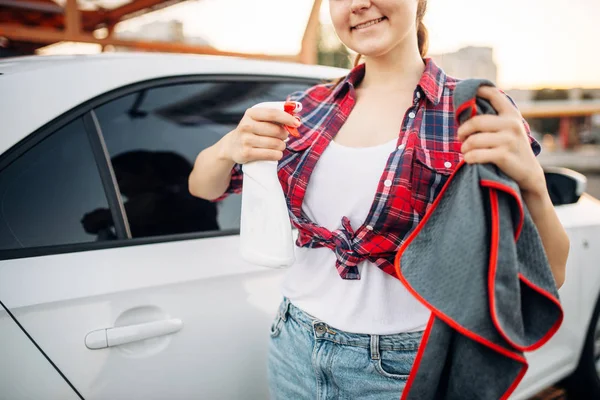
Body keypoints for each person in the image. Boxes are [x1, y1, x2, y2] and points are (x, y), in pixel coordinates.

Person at [188, 0, 570, 398]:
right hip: (294, 343)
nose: (358, 4)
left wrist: (534, 185)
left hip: (403, 367)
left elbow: (551, 271)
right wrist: (229, 146)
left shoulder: (472, 111)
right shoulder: (306, 108)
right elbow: (205, 186)